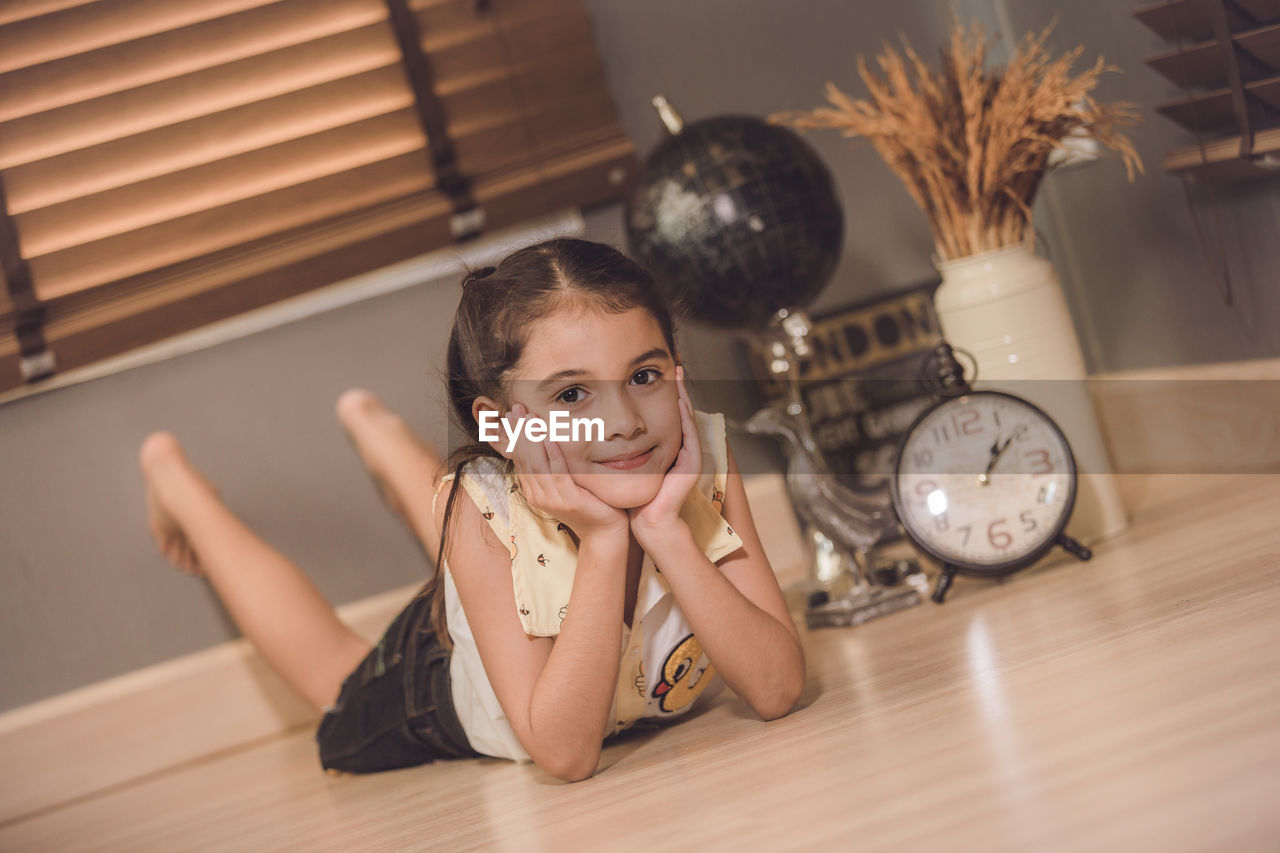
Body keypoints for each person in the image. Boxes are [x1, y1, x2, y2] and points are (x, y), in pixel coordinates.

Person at [140, 238, 805, 782]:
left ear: (679, 373)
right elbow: (566, 753)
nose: (626, 421)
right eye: (572, 394)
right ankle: (182, 490)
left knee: (478, 509)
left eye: (643, 376)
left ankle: (379, 434)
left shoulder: (702, 455)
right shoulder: (474, 509)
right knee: (334, 677)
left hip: (503, 548)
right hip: (448, 675)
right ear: (506, 428)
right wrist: (605, 542)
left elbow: (777, 688)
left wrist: (665, 529)